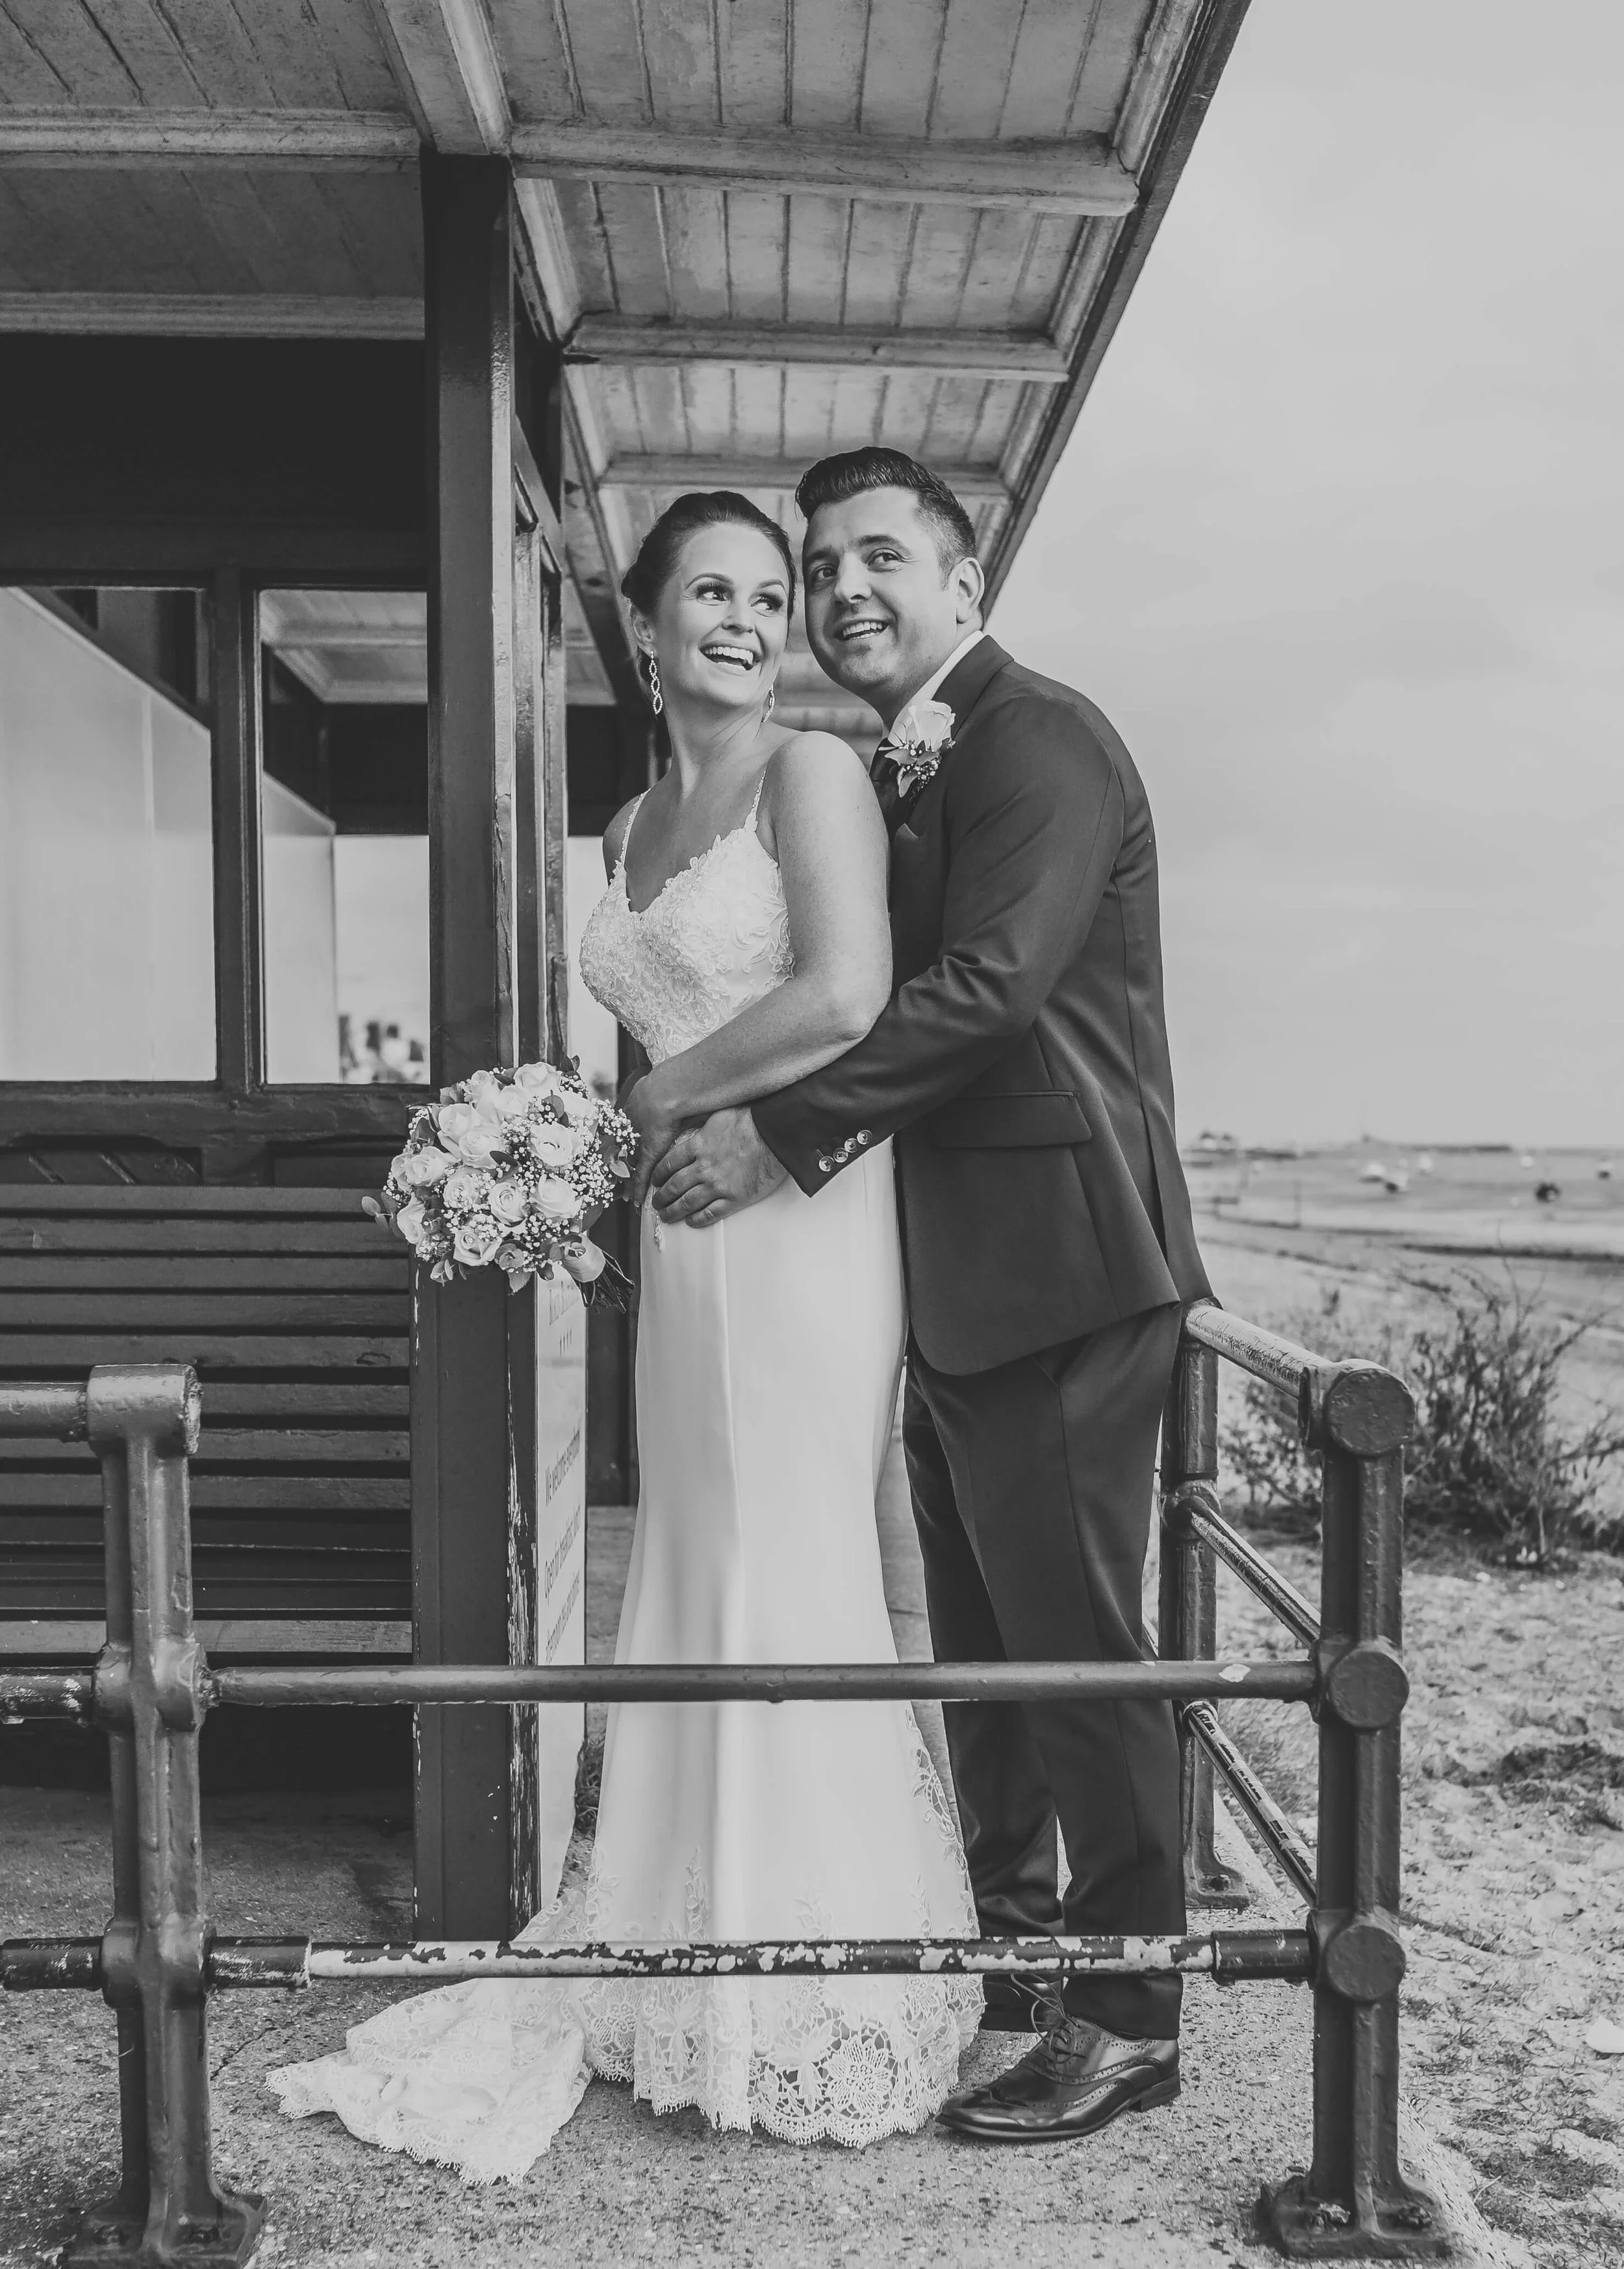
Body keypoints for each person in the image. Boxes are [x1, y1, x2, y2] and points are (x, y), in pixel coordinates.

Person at [266, 490, 981, 2183]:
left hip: (798, 1219)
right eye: (708, 593)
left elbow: (844, 997)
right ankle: (670, 1938)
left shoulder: (810, 773)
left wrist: (643, 1100)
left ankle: (807, 1979)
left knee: (787, 1546)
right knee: (691, 1539)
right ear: (643, 628)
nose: (746, 617)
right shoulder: (627, 816)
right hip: (675, 1241)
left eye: (765, 594)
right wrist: (579, 1153)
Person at [648, 448, 1212, 2144]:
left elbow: (985, 988)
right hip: (958, 1274)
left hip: (1059, 1262)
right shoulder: (906, 761)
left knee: (1077, 1648)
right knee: (983, 1641)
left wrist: (776, 1141)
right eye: (820, 567)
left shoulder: (1038, 734)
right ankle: (1026, 1953)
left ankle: (1126, 2014)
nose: (840, 594)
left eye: (876, 557)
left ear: (965, 581)